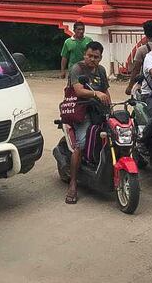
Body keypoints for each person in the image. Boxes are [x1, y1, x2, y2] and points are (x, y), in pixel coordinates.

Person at [65, 41, 110, 205]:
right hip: (81, 111)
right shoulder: (77, 68)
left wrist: (109, 108)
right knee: (81, 143)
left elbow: (105, 90)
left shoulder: (101, 70)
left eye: (96, 57)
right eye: (89, 55)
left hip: (98, 110)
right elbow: (78, 90)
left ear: (100, 58)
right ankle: (73, 183)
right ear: (85, 54)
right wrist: (95, 93)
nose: (92, 59)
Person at [126, 20, 152, 95]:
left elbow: (136, 69)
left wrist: (130, 86)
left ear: (145, 32)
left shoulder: (142, 50)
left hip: (146, 84)